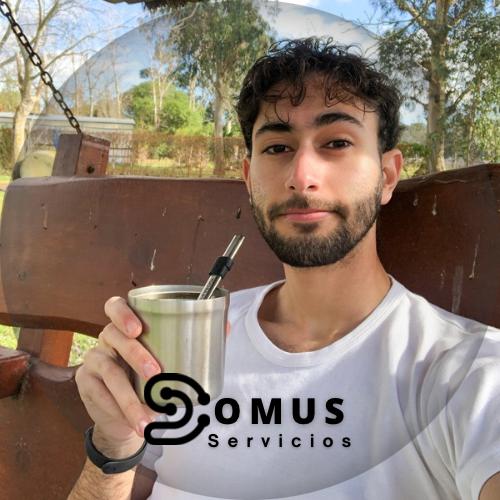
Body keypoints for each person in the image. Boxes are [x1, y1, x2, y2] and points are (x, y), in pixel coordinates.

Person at [68, 38, 500, 500]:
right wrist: (115, 444)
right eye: (277, 147)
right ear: (249, 178)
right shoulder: (190, 343)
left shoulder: (468, 373)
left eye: (337, 143)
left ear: (387, 176)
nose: (301, 175)